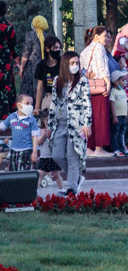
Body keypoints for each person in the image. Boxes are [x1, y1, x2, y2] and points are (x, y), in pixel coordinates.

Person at [50, 49, 92, 194]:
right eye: (72, 63)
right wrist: (50, 123)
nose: (75, 65)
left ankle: (72, 188)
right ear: (65, 64)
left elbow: (87, 103)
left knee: (72, 157)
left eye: (77, 63)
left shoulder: (82, 80)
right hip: (60, 124)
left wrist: (87, 124)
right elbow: (53, 103)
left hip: (76, 124)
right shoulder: (57, 81)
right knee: (57, 155)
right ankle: (77, 177)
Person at [80, 26, 114, 155]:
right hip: (99, 87)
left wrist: (88, 75)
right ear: (96, 36)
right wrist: (107, 81)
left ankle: (89, 147)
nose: (106, 39)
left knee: (90, 117)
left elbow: (81, 69)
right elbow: (102, 66)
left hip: (88, 87)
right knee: (101, 116)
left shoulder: (85, 50)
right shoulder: (99, 47)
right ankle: (99, 148)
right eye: (104, 36)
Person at [0, 94, 41, 172]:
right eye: (27, 103)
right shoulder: (12, 117)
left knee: (22, 172)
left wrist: (34, 152)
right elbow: (0, 127)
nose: (30, 106)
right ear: (19, 105)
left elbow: (35, 137)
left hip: (26, 150)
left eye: (31, 104)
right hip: (13, 149)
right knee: (13, 171)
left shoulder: (32, 119)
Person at [17, 15, 48, 102]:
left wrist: (22, 67)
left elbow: (26, 54)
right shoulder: (47, 36)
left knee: (28, 91)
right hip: (44, 66)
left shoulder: (30, 35)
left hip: (31, 68)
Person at [34, 35, 63, 113]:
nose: (58, 50)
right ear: (47, 49)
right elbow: (40, 87)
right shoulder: (41, 65)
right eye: (55, 48)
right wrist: (37, 107)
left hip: (62, 96)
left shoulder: (63, 62)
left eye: (59, 48)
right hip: (49, 96)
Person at [109, 70, 127, 157]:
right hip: (117, 116)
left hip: (123, 116)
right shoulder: (113, 91)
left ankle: (122, 148)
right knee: (115, 133)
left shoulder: (123, 91)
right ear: (116, 81)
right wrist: (114, 116)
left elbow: (125, 103)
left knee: (122, 133)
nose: (125, 82)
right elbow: (112, 103)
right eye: (123, 80)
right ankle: (116, 149)